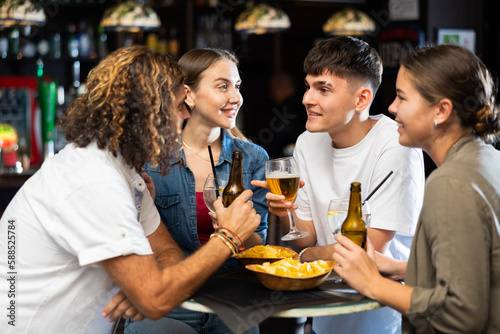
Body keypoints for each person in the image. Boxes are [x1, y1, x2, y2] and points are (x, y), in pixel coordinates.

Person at [0, 45, 260, 334]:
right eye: (177, 107)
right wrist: (228, 237)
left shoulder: (123, 172)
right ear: (149, 113)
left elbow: (165, 250)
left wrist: (143, 286)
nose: (185, 117)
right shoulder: (94, 180)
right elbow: (155, 300)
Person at [252, 36, 425, 334]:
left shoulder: (395, 144)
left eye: (323, 89)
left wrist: (305, 258)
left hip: (381, 316)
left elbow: (365, 251)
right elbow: (304, 239)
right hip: (323, 309)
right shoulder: (307, 141)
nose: (307, 98)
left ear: (361, 99)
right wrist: (284, 213)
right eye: (308, 86)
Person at [332, 44, 500, 333]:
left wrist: (371, 284)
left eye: (402, 97)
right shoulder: (487, 158)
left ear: (441, 111)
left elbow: (460, 313)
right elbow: (475, 273)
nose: (392, 107)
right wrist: (397, 268)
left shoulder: (450, 182)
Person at [125, 48, 269, 334]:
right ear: (188, 95)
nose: (235, 97)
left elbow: (259, 250)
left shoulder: (253, 158)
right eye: (222, 86)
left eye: (237, 86)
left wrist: (236, 232)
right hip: (171, 300)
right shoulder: (151, 157)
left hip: (232, 299)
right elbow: (129, 243)